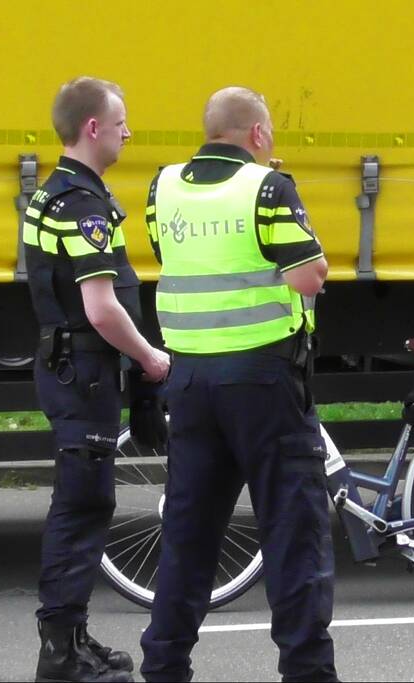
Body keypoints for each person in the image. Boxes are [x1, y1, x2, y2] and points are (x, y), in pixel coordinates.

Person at [138, 86, 337, 683]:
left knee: (189, 535)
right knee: (291, 528)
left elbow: (171, 254)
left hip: (191, 380)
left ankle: (164, 667)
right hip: (264, 384)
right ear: (256, 135)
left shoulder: (162, 188)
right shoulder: (269, 187)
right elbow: (309, 277)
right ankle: (307, 673)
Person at [23, 76, 170, 683]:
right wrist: (151, 359)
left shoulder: (53, 194)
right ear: (93, 128)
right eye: (121, 121)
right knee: (83, 507)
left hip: (70, 369)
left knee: (86, 504)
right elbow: (102, 307)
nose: (128, 132)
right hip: (84, 373)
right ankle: (61, 654)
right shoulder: (83, 207)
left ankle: (74, 638)